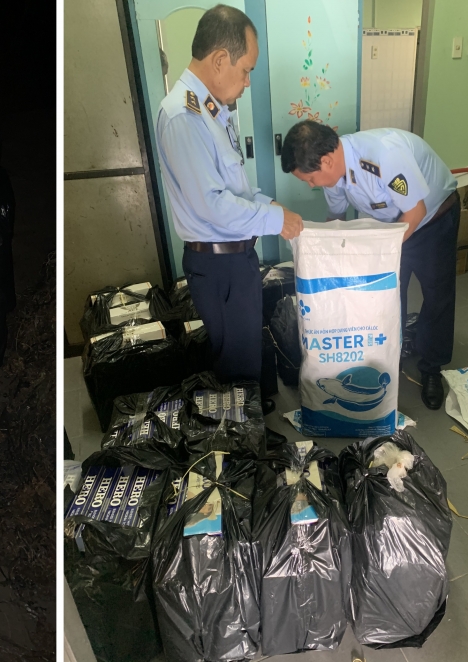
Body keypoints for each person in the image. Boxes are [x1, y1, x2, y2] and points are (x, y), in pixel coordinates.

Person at [156, 4, 303, 415]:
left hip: (236, 259)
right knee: (235, 364)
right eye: (246, 70)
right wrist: (275, 220)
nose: (248, 81)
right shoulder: (184, 117)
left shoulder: (212, 111)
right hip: (218, 264)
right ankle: (242, 436)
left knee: (244, 354)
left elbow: (236, 189)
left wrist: (271, 205)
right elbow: (213, 205)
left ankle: (248, 420)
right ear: (220, 59)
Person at [280, 121, 459, 410]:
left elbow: (416, 211)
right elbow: (335, 219)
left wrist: (381, 250)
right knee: (387, 296)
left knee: (437, 295)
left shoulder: (384, 156)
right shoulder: (334, 173)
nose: (311, 185)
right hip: (390, 227)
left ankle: (432, 368)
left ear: (326, 161)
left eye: (310, 179)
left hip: (432, 220)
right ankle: (390, 358)